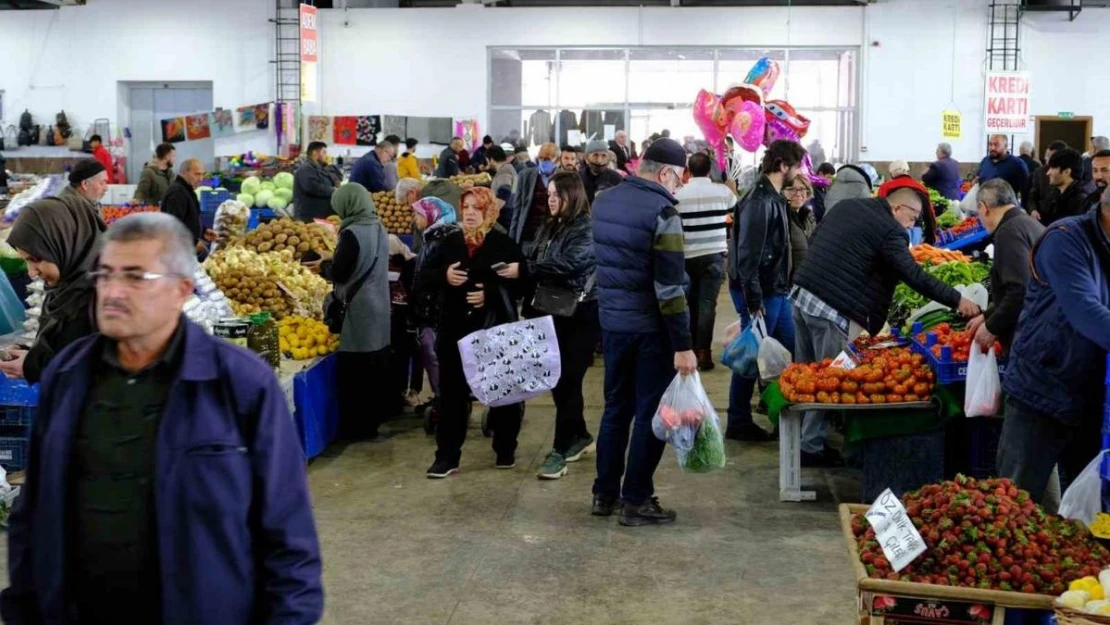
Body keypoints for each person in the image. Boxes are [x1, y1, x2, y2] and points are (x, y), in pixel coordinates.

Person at [1, 213, 323, 624]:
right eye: (105, 273)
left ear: (181, 290)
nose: (113, 291)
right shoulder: (69, 376)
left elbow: (288, 535)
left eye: (135, 277)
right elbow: (35, 512)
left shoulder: (241, 385)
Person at [792, 186, 980, 464]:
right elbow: (912, 274)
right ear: (897, 209)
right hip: (832, 311)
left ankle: (800, 440)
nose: (912, 225)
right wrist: (956, 299)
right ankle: (810, 448)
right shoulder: (891, 231)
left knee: (807, 374)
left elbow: (818, 238)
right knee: (830, 382)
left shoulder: (848, 206)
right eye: (913, 218)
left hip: (802, 296)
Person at [591, 138, 695, 527]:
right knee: (653, 413)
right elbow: (669, 288)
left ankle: (604, 494)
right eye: (678, 177)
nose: (678, 185)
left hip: (613, 325)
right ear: (665, 172)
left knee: (616, 409)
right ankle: (635, 499)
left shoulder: (604, 201)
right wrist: (683, 344)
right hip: (652, 330)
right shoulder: (663, 211)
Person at [996, 186, 1110, 503]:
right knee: (1014, 503)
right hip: (1041, 389)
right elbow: (1085, 311)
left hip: (1091, 397)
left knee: (1082, 507)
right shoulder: (1065, 239)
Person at [498, 172, 598, 480]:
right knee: (560, 382)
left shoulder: (586, 228)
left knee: (567, 380)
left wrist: (525, 269)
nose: (552, 198)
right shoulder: (550, 224)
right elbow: (532, 251)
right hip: (549, 311)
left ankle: (559, 452)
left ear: (574, 195)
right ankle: (578, 435)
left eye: (558, 193)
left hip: (579, 315)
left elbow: (570, 264)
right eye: (550, 193)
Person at [421, 187, 524, 478]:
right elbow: (423, 278)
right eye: (465, 206)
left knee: (502, 391)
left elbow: (522, 283)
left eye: (477, 208)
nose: (469, 213)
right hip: (453, 329)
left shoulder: (503, 244)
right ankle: (447, 457)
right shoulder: (448, 242)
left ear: (488, 212)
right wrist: (444, 276)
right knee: (451, 396)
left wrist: (489, 294)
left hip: (492, 330)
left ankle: (505, 448)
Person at [725, 140, 804, 442]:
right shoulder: (760, 201)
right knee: (751, 354)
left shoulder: (771, 197)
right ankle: (738, 420)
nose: (798, 173)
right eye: (796, 166)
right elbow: (748, 256)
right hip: (762, 290)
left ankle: (785, 412)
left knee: (790, 347)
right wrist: (754, 299)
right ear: (783, 165)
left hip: (775, 289)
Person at [309, 184, 391, 441]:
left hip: (359, 309)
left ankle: (356, 428)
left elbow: (342, 272)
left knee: (356, 373)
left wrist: (323, 268)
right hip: (379, 304)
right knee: (375, 367)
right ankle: (372, 423)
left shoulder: (352, 232)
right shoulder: (378, 227)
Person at [0, 194, 102, 384]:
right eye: (26, 261)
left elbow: (98, 371)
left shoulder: (106, 299)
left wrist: (36, 366)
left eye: (36, 259)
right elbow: (62, 349)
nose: (31, 273)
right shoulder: (63, 289)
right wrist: (28, 355)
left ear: (63, 243)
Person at [965, 179, 1044, 352]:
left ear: (983, 208)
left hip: (1032, 337)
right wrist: (987, 316)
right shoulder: (1028, 223)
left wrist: (992, 326)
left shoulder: (1008, 232)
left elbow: (1020, 290)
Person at [674, 152, 733, 372]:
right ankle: (705, 352)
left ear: (688, 169)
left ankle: (690, 348)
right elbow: (734, 211)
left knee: (690, 303)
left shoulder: (679, 195)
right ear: (710, 170)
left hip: (687, 256)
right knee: (708, 304)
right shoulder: (723, 191)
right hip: (715, 255)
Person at [409, 196, 459, 424]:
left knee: (434, 354)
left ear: (432, 215)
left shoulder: (444, 239)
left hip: (437, 310)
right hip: (429, 308)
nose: (414, 219)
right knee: (432, 354)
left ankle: (446, 399)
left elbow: (438, 274)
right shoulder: (432, 236)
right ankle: (443, 397)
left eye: (418, 214)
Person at [508, 142, 560, 257]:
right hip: (529, 232)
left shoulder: (563, 177)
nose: (544, 161)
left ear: (557, 159)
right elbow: (517, 208)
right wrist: (511, 240)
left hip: (552, 233)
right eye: (541, 158)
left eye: (548, 158)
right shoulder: (525, 175)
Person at [160, 157, 209, 253]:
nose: (201, 179)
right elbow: (173, 225)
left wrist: (203, 231)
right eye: (197, 174)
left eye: (202, 174)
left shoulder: (187, 189)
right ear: (183, 172)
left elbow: (190, 218)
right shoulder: (178, 192)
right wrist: (193, 243)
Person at [1038, 148, 1096, 226]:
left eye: (1053, 168)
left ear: (1067, 172)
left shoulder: (1080, 200)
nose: (1048, 173)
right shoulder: (1056, 194)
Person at [977, 134, 1029, 206]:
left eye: (996, 145)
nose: (992, 148)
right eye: (990, 144)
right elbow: (979, 180)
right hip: (985, 207)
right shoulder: (985, 161)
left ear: (1006, 146)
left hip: (1007, 208)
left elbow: (1026, 189)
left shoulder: (1017, 164)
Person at [55, 158, 109, 228]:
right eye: (102, 183)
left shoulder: (88, 201)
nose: (106, 188)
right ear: (85, 184)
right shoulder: (70, 211)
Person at [293, 141, 337, 222]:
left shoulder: (319, 168)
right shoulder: (306, 169)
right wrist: (334, 190)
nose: (326, 156)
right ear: (315, 153)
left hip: (320, 217)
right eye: (324, 152)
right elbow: (312, 187)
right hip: (309, 219)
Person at [784, 175, 816, 280]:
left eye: (802, 189)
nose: (798, 194)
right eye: (791, 189)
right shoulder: (782, 217)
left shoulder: (808, 216)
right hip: (788, 284)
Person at [1027, 140, 1067, 219]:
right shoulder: (1039, 172)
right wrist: (1033, 210)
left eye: (1049, 156)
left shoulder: (1067, 172)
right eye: (1046, 155)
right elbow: (1032, 196)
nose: (1045, 158)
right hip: (1041, 217)